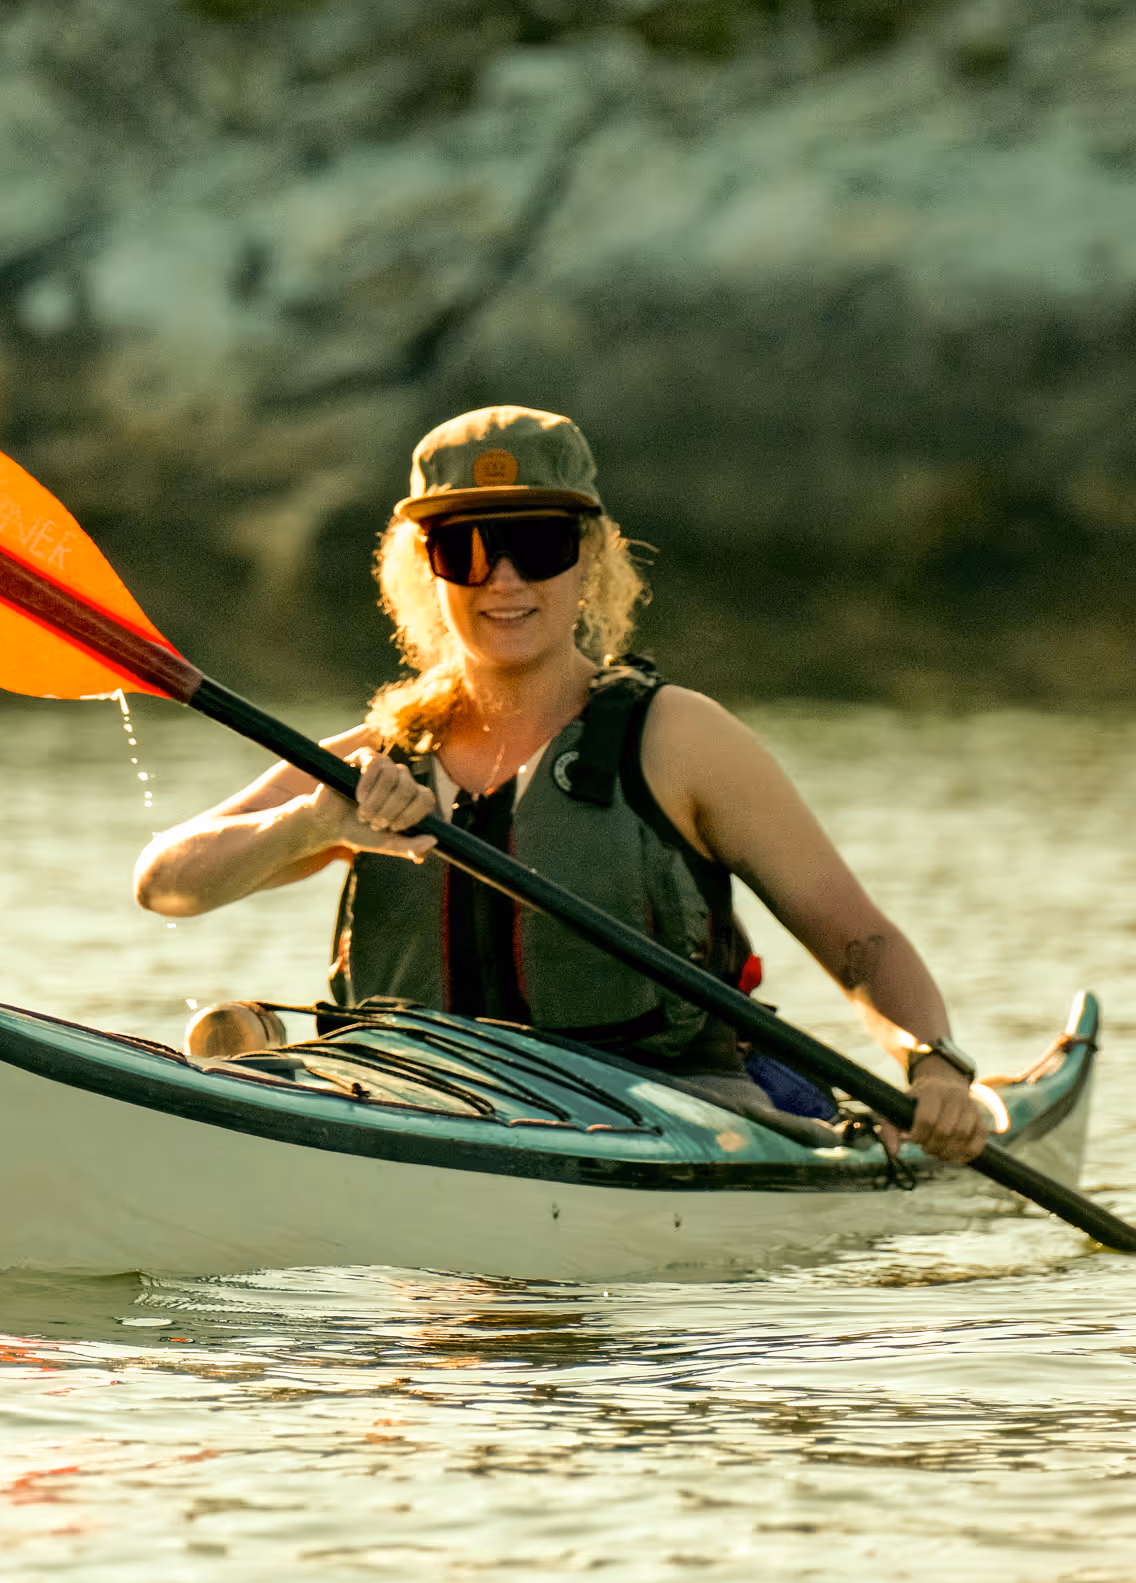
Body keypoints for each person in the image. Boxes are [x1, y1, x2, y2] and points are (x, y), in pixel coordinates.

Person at [135, 407, 988, 1164]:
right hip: (415, 1101)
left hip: (662, 1109)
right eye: (465, 549)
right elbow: (163, 884)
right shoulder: (375, 757)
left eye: (536, 546)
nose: (503, 580)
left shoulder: (680, 741)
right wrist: (310, 826)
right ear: (427, 571)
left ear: (588, 558)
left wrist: (935, 1064)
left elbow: (858, 941)